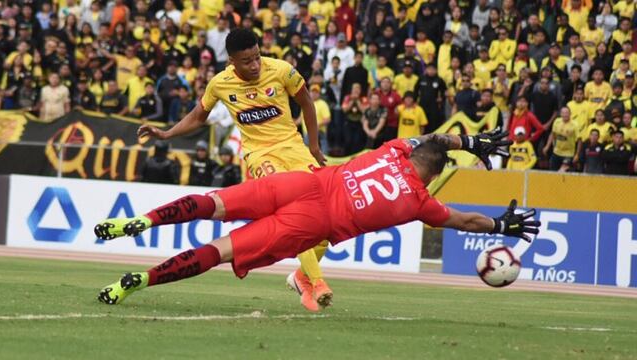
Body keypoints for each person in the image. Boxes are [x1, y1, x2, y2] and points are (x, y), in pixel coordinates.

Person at [94, 130, 540, 307]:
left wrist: (472, 141)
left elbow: (433, 139)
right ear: (437, 172)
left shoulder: (392, 148)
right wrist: (503, 225)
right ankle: (138, 282)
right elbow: (464, 222)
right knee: (217, 252)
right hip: (313, 223)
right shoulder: (420, 203)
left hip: (303, 184)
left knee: (214, 203)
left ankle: (146, 219)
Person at [135, 29, 330, 313]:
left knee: (323, 220)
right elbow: (197, 116)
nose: (254, 65)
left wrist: (313, 145)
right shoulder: (220, 83)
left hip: (294, 147)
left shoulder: (282, 70)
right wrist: (166, 134)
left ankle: (301, 277)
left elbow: (306, 102)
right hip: (260, 155)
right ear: (232, 61)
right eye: (246, 61)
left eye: (257, 57)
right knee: (294, 209)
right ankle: (319, 282)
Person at [542, 107, 580, 172]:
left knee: (562, 171)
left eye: (567, 113)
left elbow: (579, 140)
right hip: (556, 152)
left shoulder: (575, 124)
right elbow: (552, 134)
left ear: (570, 114)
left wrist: (577, 154)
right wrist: (547, 146)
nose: (565, 115)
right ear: (561, 114)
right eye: (563, 113)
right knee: (552, 171)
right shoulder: (557, 121)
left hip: (568, 153)